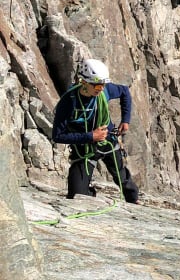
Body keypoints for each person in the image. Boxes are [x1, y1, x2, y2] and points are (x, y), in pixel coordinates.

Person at [52, 58, 139, 204]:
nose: (101, 89)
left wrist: (126, 119)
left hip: (108, 142)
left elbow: (124, 91)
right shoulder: (68, 102)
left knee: (122, 176)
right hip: (85, 150)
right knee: (75, 196)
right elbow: (58, 136)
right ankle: (89, 192)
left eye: (103, 85)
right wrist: (91, 136)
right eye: (97, 87)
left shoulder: (104, 91)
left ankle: (133, 200)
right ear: (84, 82)